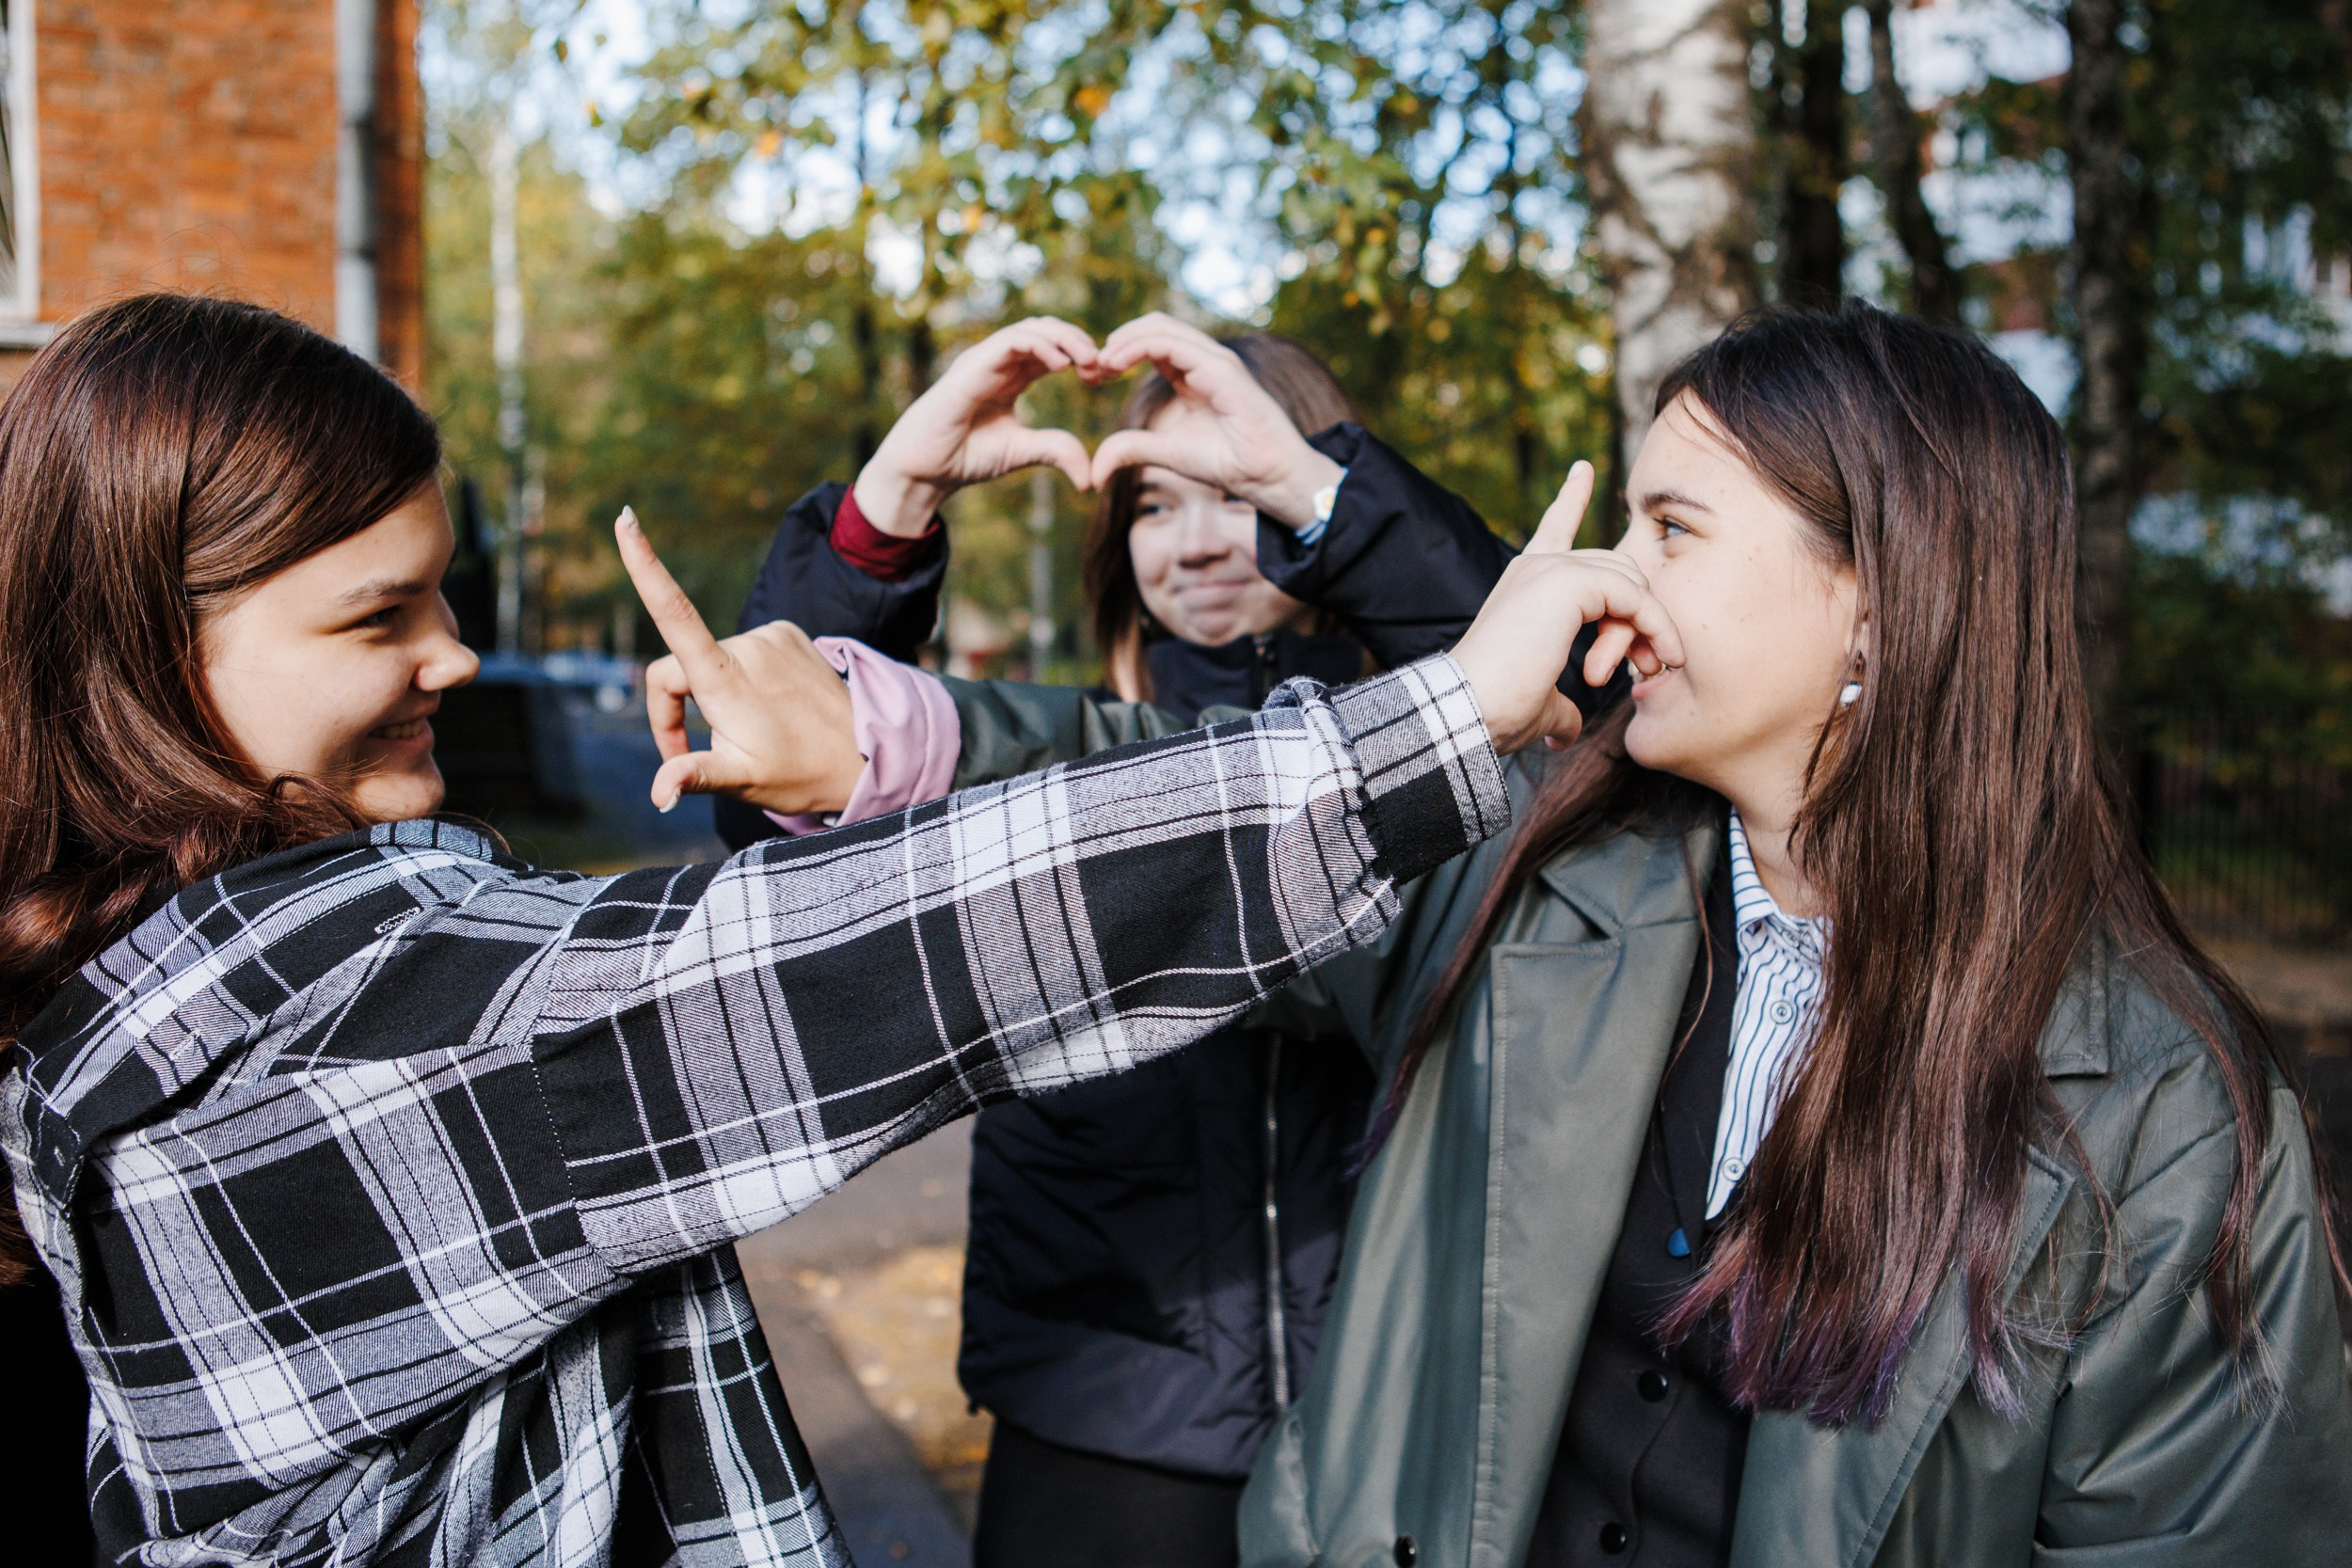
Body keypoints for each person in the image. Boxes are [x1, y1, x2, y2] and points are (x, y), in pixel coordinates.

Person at [0, 293, 1665, 1568]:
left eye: (448, 593)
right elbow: (903, 931)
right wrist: (1438, 721)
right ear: (144, 646)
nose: (453, 657)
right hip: (1113, 1382)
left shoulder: (150, 962)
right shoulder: (347, 1022)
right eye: (378, 614)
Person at [840, 308, 2352, 1565]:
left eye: (1670, 528)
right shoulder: (1534, 881)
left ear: (1882, 604)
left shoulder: (2161, 1121)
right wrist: (879, 732)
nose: (1610, 577)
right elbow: (1201, 810)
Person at [720, 314, 1567, 1568]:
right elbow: (780, 827)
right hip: (1103, 1394)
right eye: (1156, 506)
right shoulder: (1050, 765)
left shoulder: (1444, 762)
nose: (1201, 542)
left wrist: (1337, 506)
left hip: (1394, 1387)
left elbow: (1560, 712)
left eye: (1244, 494)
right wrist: (885, 508)